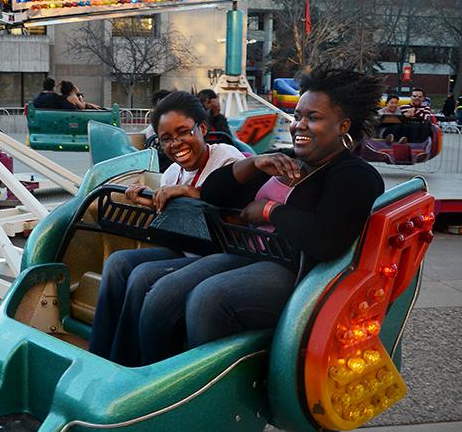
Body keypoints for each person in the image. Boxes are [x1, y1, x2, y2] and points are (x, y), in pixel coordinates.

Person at [133, 66, 385, 365]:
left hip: (297, 273)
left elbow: (325, 239)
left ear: (343, 125)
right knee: (164, 289)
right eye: (298, 116)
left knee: (209, 298)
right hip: (249, 254)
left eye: (313, 118)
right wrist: (253, 164)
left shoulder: (354, 175)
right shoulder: (288, 159)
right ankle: (146, 379)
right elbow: (215, 193)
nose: (298, 126)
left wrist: (269, 210)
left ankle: (203, 398)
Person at [88, 91, 245, 367]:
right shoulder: (172, 172)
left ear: (203, 129)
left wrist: (186, 192)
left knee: (143, 277)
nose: (176, 143)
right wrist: (150, 200)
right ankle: (100, 356)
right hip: (188, 248)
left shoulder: (226, 158)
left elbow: (231, 211)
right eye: (167, 138)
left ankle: (134, 365)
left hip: (221, 252)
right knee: (118, 263)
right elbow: (176, 219)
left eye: (183, 133)